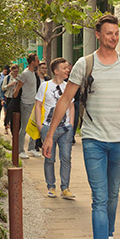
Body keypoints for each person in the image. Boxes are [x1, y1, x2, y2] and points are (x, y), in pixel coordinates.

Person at [42, 14, 120, 239]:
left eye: (116, 33)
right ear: (98, 35)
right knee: (99, 198)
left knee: (113, 195)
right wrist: (50, 135)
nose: (113, 37)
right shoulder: (85, 63)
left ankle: (109, 237)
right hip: (93, 141)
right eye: (109, 33)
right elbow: (64, 100)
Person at [35, 57, 75, 199]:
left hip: (65, 129)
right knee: (49, 159)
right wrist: (40, 125)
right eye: (64, 68)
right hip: (48, 127)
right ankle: (51, 186)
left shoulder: (69, 86)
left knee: (66, 158)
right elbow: (38, 105)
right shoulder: (45, 86)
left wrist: (71, 124)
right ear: (56, 71)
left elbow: (71, 105)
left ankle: (65, 188)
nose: (67, 70)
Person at [13, 53, 41, 159]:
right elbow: (18, 88)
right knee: (24, 127)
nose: (38, 63)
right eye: (37, 61)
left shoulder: (33, 73)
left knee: (34, 126)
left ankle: (31, 148)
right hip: (26, 103)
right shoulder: (25, 74)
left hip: (34, 103)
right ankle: (20, 150)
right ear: (32, 62)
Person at [1, 64, 20, 135]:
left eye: (17, 71)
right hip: (8, 97)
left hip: (16, 97)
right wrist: (10, 85)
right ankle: (6, 127)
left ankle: (14, 130)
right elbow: (3, 88)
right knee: (8, 113)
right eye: (15, 71)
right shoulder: (7, 78)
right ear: (11, 71)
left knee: (15, 114)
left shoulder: (19, 77)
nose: (16, 73)